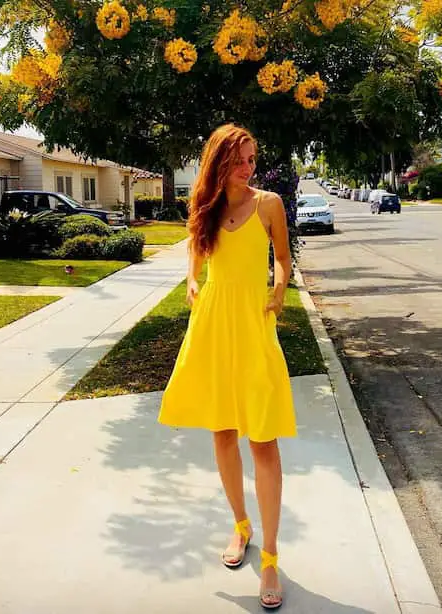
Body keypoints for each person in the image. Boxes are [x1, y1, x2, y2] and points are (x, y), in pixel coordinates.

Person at [158, 123, 297, 610]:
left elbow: (282, 256)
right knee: (222, 432)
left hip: (254, 328)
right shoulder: (205, 207)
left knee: (262, 439)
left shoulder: (269, 205)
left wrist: (279, 287)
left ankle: (272, 557)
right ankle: (241, 525)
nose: (247, 168)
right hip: (214, 324)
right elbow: (194, 251)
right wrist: (192, 281)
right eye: (238, 160)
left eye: (252, 159)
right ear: (218, 163)